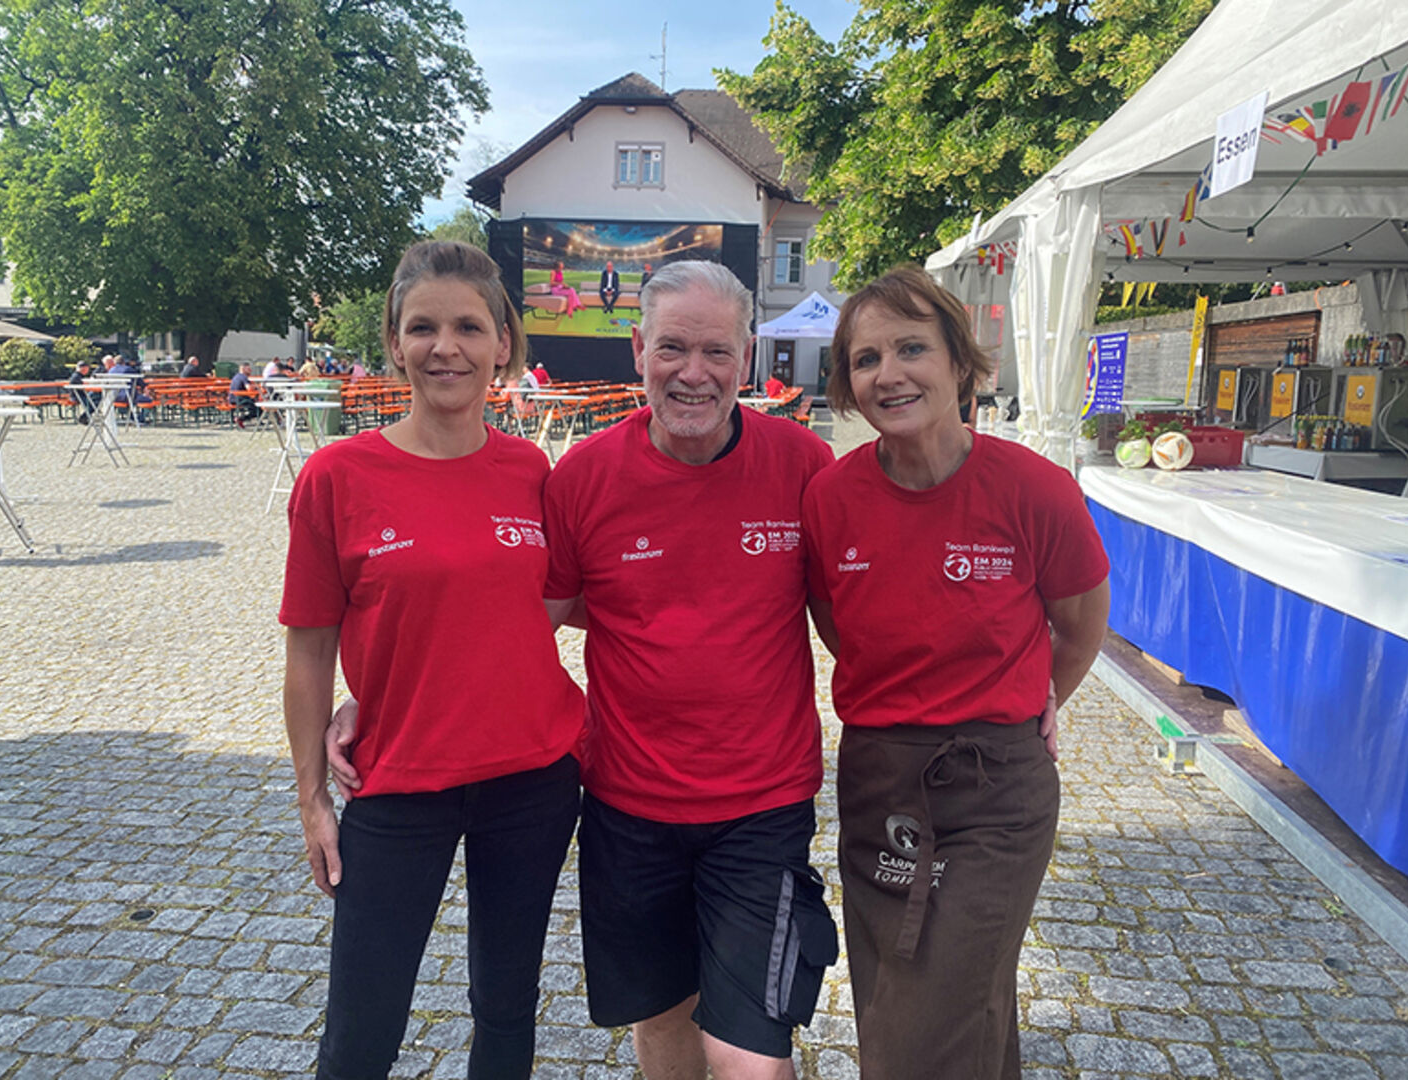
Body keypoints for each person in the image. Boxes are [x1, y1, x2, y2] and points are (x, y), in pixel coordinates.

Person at [329, 260, 839, 1080]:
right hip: (626, 803)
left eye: (716, 351)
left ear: (746, 359)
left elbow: (859, 614)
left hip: (762, 804)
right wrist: (375, 693)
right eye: (672, 347)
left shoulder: (805, 467)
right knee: (662, 1019)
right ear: (638, 350)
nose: (693, 373)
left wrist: (1005, 692)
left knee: (748, 1051)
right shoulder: (582, 479)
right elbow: (521, 617)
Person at [283, 240, 585, 1080]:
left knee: (506, 1009)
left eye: (466, 327)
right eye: (422, 328)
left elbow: (569, 604)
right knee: (362, 1028)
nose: (443, 347)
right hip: (396, 782)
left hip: (531, 779)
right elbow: (308, 650)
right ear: (392, 342)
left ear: (504, 345)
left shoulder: (532, 471)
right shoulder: (339, 476)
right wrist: (311, 795)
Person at [802, 266, 1111, 1080]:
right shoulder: (831, 499)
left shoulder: (1032, 490)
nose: (888, 373)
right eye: (865, 359)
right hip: (880, 777)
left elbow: (1079, 624)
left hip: (996, 785)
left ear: (959, 364)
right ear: (847, 384)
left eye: (911, 348)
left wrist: (1035, 699)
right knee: (899, 988)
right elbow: (843, 627)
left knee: (934, 1009)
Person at [228, 362, 259, 428]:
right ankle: (241, 419)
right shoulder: (243, 377)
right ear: (243, 369)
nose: (250, 371)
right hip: (239, 399)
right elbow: (249, 388)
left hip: (232, 398)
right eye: (248, 369)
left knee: (254, 404)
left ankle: (240, 419)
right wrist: (256, 387)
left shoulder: (236, 376)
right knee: (258, 408)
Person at [67, 359, 98, 424]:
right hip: (77, 396)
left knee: (95, 399)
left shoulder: (77, 375)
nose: (87, 371)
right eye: (87, 369)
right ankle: (83, 417)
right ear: (82, 368)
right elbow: (84, 387)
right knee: (93, 404)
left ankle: (85, 417)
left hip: (80, 395)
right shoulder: (77, 376)